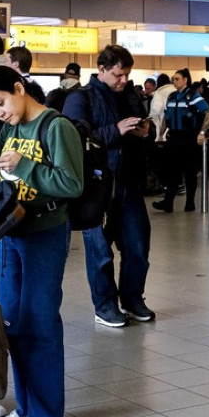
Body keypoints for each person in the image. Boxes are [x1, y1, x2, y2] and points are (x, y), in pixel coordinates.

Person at [0, 65, 84, 417]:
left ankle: (44, 412)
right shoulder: (10, 127)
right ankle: (27, 408)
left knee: (40, 324)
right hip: (11, 234)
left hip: (45, 232)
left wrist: (23, 165)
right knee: (14, 325)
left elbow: (72, 184)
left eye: (0, 103)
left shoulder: (56, 126)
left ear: (19, 89)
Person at [64, 45, 157, 328]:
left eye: (127, 74)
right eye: (118, 75)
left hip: (129, 183)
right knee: (100, 252)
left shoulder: (130, 95)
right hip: (97, 188)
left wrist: (146, 132)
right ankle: (105, 305)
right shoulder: (81, 98)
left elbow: (144, 132)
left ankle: (132, 299)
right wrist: (115, 130)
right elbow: (73, 138)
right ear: (101, 69)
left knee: (137, 246)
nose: (124, 80)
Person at [154, 69, 209, 213]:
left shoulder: (193, 96)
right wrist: (160, 135)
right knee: (171, 172)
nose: (174, 81)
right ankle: (168, 203)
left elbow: (208, 113)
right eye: (173, 79)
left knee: (190, 172)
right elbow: (166, 117)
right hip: (174, 138)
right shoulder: (172, 96)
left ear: (185, 80)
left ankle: (190, 203)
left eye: (177, 79)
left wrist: (202, 132)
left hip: (189, 138)